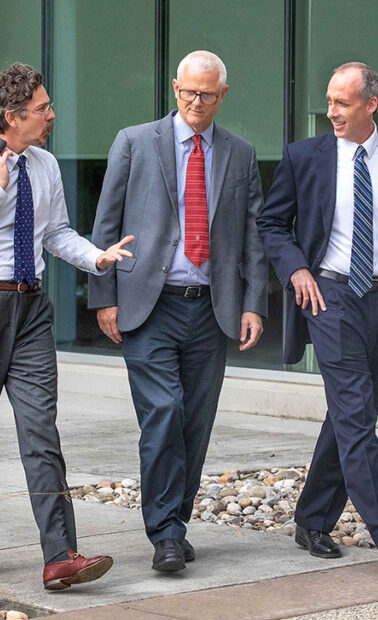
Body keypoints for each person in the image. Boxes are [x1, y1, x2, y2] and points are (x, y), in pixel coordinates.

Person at [0, 63, 132, 591]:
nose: (51, 116)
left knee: (42, 432)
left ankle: (60, 555)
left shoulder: (44, 165)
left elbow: (56, 232)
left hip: (30, 309)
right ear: (10, 116)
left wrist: (97, 257)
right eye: (42, 108)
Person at [256, 62, 378, 577]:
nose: (331, 112)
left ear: (370, 104)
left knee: (349, 418)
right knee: (357, 416)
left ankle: (312, 518)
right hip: (331, 297)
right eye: (330, 101)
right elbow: (273, 223)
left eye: (342, 103)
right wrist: (296, 270)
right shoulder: (303, 156)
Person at [89, 50, 268, 572]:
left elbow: (253, 235)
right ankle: (165, 533)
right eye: (188, 91)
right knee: (164, 412)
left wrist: (253, 303)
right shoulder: (134, 141)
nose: (196, 101)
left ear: (222, 96)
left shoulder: (241, 153)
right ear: (174, 87)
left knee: (195, 422)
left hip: (212, 310)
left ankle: (175, 521)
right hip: (150, 305)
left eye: (206, 94)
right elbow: (106, 222)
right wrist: (104, 297)